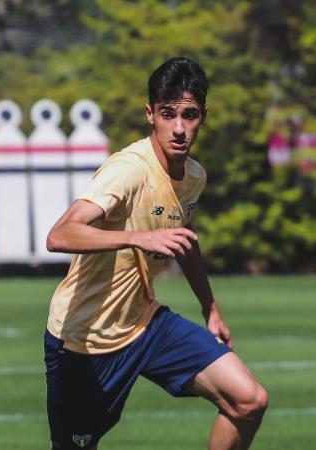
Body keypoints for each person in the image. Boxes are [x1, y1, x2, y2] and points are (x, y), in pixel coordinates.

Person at [44, 57, 268, 450]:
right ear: (150, 114)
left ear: (203, 115)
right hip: (84, 340)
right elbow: (60, 234)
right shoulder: (128, 170)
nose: (179, 128)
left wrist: (210, 308)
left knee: (248, 400)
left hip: (146, 324)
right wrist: (137, 239)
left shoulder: (193, 176)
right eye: (168, 114)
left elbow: (186, 239)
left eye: (189, 115)